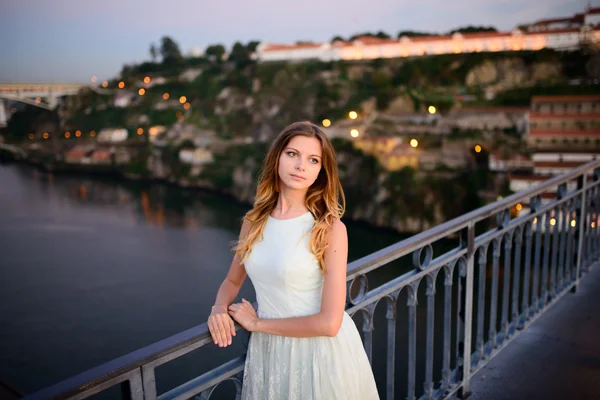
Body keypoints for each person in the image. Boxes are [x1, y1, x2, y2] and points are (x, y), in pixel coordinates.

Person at [208, 121, 379, 399]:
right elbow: (232, 280)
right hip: (269, 353)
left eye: (313, 160)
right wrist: (218, 308)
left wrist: (258, 325)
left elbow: (329, 323)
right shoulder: (253, 222)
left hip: (319, 354)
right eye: (292, 154)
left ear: (321, 172)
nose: (301, 166)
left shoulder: (331, 229)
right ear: (277, 158)